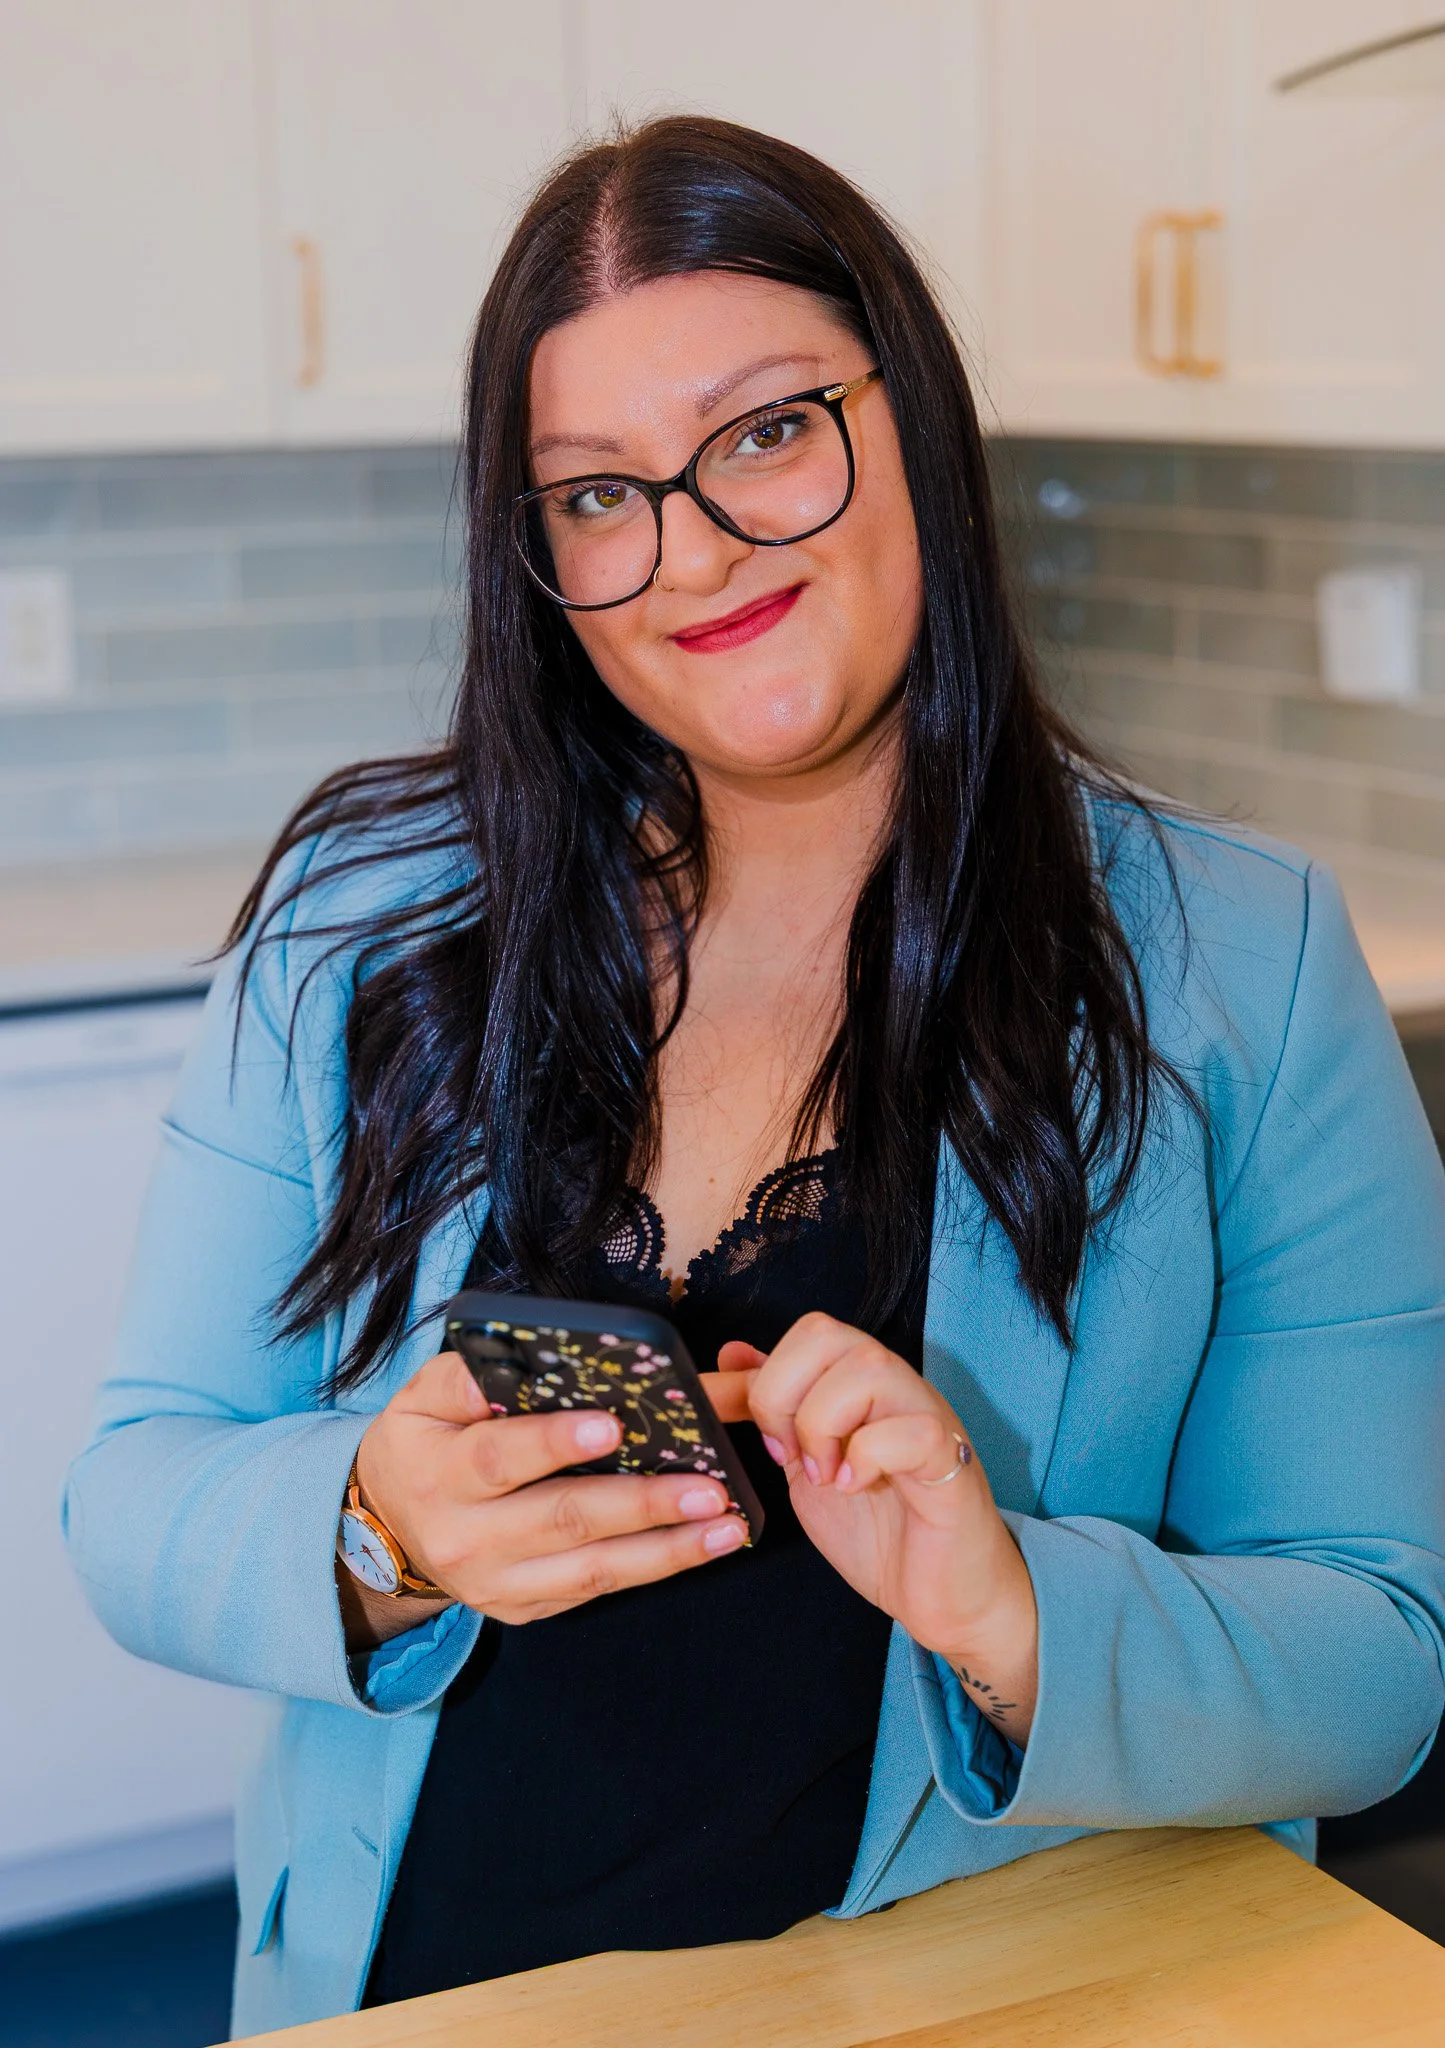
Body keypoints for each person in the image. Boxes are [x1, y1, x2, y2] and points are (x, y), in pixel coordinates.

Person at [65, 117, 1445, 2039]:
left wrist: (1008, 1607)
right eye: (596, 493)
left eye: (769, 432)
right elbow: (135, 1492)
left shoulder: (1242, 961)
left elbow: (1381, 1662)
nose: (695, 549)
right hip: (435, 2002)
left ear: (916, 422)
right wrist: (380, 1530)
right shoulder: (355, 925)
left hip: (967, 2002)